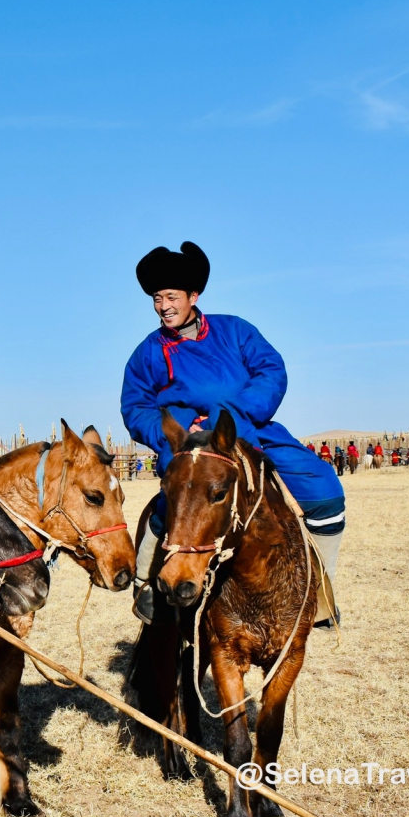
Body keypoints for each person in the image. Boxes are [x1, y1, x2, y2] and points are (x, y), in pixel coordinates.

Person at [120, 242, 345, 627]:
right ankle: (147, 586)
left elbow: (271, 371)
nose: (163, 306)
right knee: (170, 507)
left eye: (171, 296)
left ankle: (318, 592)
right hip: (188, 446)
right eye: (157, 299)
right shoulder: (148, 352)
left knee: (325, 488)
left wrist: (235, 414)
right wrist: (170, 431)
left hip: (249, 428)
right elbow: (134, 406)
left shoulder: (235, 331)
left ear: (193, 296)